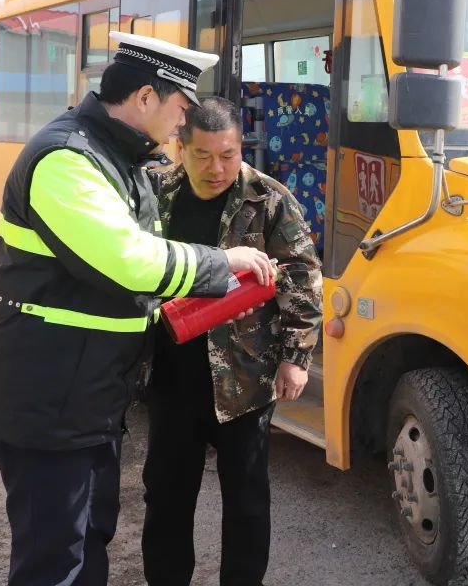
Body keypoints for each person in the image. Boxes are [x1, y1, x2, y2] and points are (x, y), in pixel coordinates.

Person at [0, 32, 273, 586]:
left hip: (83, 398)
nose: (184, 123)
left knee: (85, 545)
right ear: (147, 98)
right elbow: (131, 262)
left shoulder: (118, 158)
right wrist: (222, 264)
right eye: (181, 107)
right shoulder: (67, 159)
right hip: (47, 401)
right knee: (52, 561)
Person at [141, 96, 323, 586]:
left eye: (228, 155)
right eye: (203, 155)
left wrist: (296, 357)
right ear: (182, 150)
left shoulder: (268, 199)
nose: (217, 168)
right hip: (172, 375)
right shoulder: (158, 194)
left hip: (245, 377)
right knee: (166, 496)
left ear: (241, 148)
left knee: (245, 501)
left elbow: (303, 277)